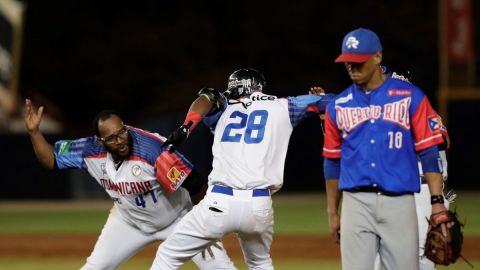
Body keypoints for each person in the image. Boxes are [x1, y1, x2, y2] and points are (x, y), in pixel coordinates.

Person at [150, 68, 334, 270]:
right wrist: (320, 102)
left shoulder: (223, 109)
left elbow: (206, 98)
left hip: (219, 202)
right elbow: (330, 102)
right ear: (259, 86)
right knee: (260, 262)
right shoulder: (285, 105)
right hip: (259, 205)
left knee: (168, 255)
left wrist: (186, 126)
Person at [23, 99, 235, 270]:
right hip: (129, 222)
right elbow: (51, 159)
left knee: (219, 266)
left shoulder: (153, 150)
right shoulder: (89, 150)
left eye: (122, 131)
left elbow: (196, 184)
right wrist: (34, 133)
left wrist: (204, 224)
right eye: (112, 138)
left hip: (178, 220)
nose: (121, 140)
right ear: (100, 141)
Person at [322, 28, 448, 270]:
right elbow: (332, 161)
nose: (352, 68)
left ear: (377, 57)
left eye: (358, 62)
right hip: (355, 202)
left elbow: (429, 151)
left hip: (399, 201)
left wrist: (436, 202)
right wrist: (332, 211)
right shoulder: (337, 106)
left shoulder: (410, 97)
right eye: (348, 62)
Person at [372, 69, 453, 270]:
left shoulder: (424, 111)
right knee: (377, 255)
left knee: (421, 256)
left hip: (423, 192)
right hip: (393, 190)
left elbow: (442, 141)